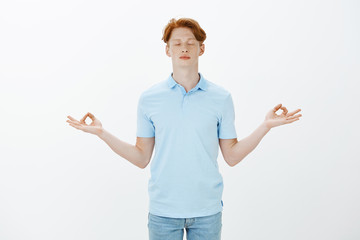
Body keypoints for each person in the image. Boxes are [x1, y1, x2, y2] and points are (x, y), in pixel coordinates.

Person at [66, 17, 302, 240]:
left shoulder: (221, 98)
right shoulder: (150, 99)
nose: (184, 48)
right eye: (177, 43)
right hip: (163, 213)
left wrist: (266, 126)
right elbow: (141, 157)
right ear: (168, 50)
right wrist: (102, 133)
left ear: (202, 49)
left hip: (207, 212)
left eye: (191, 43)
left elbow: (231, 155)